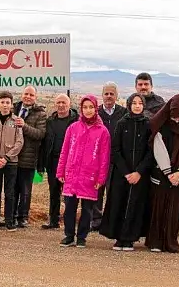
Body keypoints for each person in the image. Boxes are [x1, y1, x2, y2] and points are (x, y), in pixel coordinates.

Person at [100, 93, 153, 251]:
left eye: (140, 103)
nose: (137, 106)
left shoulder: (148, 125)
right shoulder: (122, 123)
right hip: (121, 174)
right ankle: (119, 237)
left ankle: (130, 238)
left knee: (136, 205)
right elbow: (115, 150)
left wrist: (139, 172)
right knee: (119, 203)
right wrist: (126, 172)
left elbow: (150, 152)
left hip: (140, 175)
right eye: (134, 103)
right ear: (129, 105)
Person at [57, 95, 111, 248]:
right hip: (72, 174)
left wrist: (101, 178)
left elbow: (104, 157)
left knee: (87, 209)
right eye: (85, 107)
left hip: (90, 176)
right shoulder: (73, 128)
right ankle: (69, 235)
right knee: (69, 207)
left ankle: (82, 237)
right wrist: (61, 171)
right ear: (81, 109)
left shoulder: (103, 132)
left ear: (96, 109)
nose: (88, 110)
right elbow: (64, 151)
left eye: (91, 107)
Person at [145, 94, 179, 253]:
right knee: (158, 207)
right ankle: (155, 241)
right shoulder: (160, 123)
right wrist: (168, 172)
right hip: (161, 172)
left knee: (174, 209)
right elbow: (158, 147)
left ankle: (170, 241)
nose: (177, 121)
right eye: (174, 117)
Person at [37, 94, 78, 229]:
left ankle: (69, 221)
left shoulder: (76, 121)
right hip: (53, 162)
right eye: (58, 102)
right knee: (54, 192)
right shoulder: (50, 121)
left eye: (64, 102)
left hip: (71, 163)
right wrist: (41, 165)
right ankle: (53, 220)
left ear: (69, 104)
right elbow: (44, 144)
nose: (61, 105)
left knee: (70, 194)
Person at [0, 91, 23, 232]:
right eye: (2, 102)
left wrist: (6, 158)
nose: (5, 105)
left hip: (10, 162)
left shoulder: (16, 120)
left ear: (11, 104)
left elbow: (19, 142)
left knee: (9, 192)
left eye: (8, 102)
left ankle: (9, 220)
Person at [92, 82, 127, 231]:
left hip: (116, 160)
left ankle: (111, 222)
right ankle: (96, 220)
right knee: (96, 191)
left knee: (114, 192)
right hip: (98, 160)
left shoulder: (124, 112)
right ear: (102, 95)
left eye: (112, 94)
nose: (109, 96)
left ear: (116, 96)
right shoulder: (96, 113)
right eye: (106, 93)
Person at [13, 86, 47, 227]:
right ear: (22, 95)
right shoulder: (13, 109)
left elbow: (40, 134)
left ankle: (23, 217)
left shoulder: (40, 114)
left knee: (25, 191)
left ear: (35, 97)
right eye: (26, 94)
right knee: (12, 189)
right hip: (12, 157)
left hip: (29, 157)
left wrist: (24, 126)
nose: (28, 97)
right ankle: (11, 216)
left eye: (31, 95)